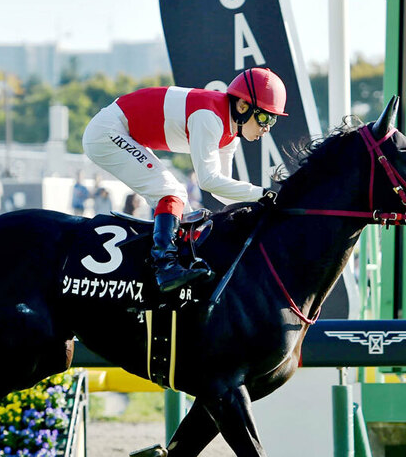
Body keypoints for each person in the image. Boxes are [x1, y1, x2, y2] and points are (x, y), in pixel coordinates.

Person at [82, 67, 286, 293]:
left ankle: (175, 266)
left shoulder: (230, 135)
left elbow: (220, 189)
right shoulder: (209, 117)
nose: (267, 128)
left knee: (184, 208)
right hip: (107, 132)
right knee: (172, 193)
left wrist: (258, 204)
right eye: (265, 117)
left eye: (273, 120)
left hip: (121, 130)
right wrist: (263, 193)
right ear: (243, 106)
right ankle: (164, 267)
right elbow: (207, 181)